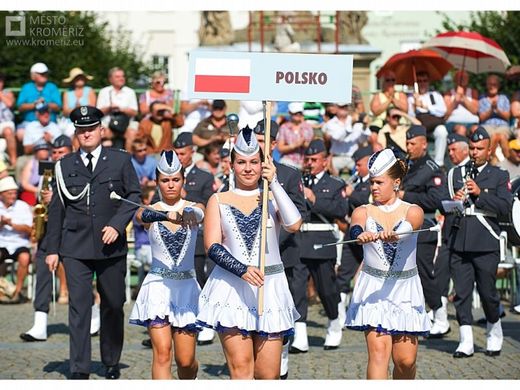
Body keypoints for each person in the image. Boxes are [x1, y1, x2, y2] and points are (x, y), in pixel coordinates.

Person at [196, 126, 302, 379]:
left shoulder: (273, 197)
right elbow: (212, 245)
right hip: (233, 288)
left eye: (254, 162)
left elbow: (294, 224)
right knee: (242, 370)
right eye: (241, 162)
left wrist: (274, 182)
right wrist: (241, 270)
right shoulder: (218, 200)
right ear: (231, 165)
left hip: (270, 287)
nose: (248, 168)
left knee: (268, 375)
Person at [45, 105, 141, 380]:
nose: (86, 134)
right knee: (79, 305)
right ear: (76, 133)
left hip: (111, 246)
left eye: (91, 129)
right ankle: (79, 367)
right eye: (81, 130)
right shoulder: (64, 165)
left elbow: (133, 195)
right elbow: (57, 211)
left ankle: (111, 360)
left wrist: (117, 224)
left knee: (113, 303)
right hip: (75, 247)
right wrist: (52, 250)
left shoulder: (120, 160)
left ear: (101, 130)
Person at [345, 148, 431, 379]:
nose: (373, 187)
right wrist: (359, 233)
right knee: (379, 354)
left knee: (405, 360)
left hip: (405, 290)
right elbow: (356, 224)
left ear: (396, 183)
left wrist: (397, 233)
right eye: (372, 182)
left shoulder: (412, 209)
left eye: (379, 182)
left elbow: (411, 224)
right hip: (374, 288)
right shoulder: (364, 210)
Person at [129, 150, 204, 379]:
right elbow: (140, 216)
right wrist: (164, 215)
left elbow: (200, 212)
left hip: (186, 288)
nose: (170, 185)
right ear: (157, 182)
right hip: (158, 286)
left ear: (183, 180)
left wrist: (187, 212)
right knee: (162, 354)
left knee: (186, 361)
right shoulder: (151, 210)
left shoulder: (193, 206)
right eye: (165, 180)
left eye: (175, 180)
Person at [447, 126, 512, 358]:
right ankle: (466, 341)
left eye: (479, 148)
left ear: (489, 149)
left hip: (485, 242)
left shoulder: (499, 175)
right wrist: (453, 202)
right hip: (459, 240)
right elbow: (446, 209)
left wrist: (480, 194)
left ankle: (494, 331)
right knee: (461, 294)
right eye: (472, 148)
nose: (474, 152)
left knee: (487, 293)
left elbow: (504, 207)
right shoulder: (456, 173)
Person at [253, 118, 307, 379]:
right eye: (256, 140)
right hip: (252, 257)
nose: (258, 146)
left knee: (279, 315)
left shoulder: (289, 174)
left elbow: (298, 215)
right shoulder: (244, 172)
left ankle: (281, 357)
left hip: (282, 253)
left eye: (263, 141)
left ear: (274, 144)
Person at [292, 139, 348, 352]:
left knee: (327, 289)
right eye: (307, 159)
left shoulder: (335, 184)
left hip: (322, 242)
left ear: (325, 161)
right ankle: (300, 334)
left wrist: (315, 200)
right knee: (297, 289)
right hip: (299, 241)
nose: (309, 163)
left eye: (314, 160)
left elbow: (341, 209)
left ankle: (334, 322)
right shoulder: (298, 181)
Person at [20, 135, 74, 342]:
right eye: (55, 153)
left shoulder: (78, 172)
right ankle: (39, 324)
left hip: (72, 231)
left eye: (62, 152)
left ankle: (93, 314)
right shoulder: (49, 172)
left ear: (71, 151)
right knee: (42, 273)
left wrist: (58, 198)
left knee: (78, 277)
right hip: (50, 230)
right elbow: (39, 199)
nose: (58, 156)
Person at [398, 125, 450, 338]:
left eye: (412, 143)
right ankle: (415, 315)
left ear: (423, 144)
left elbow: (437, 199)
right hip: (403, 226)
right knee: (406, 274)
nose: (408, 147)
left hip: (424, 226)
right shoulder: (405, 166)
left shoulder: (432, 168)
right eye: (407, 143)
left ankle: (440, 315)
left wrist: (406, 196)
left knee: (423, 272)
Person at [173, 132, 216, 346]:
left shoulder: (204, 177)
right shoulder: (167, 176)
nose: (179, 157)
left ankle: (205, 321)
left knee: (199, 279)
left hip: (196, 237)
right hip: (174, 238)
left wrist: (185, 198)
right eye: (176, 153)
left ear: (192, 151)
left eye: (183, 153)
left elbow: (210, 204)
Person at [336, 145, 373, 326]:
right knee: (344, 273)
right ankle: (340, 314)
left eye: (359, 164)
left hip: (369, 234)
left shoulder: (373, 182)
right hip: (352, 232)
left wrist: (352, 195)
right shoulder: (357, 182)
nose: (356, 168)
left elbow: (369, 201)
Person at [0, 176, 33, 304]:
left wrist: (12, 225)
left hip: (19, 242)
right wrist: (2, 223)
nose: (13, 196)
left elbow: (30, 229)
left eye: (14, 193)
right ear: (1, 194)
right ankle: (3, 289)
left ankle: (17, 292)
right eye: (9, 193)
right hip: (2, 241)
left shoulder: (23, 206)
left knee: (24, 257)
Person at [408, 70, 448, 167]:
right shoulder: (411, 97)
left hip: (433, 124)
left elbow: (442, 110)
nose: (422, 83)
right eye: (420, 81)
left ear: (428, 82)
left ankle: (439, 163)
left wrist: (424, 106)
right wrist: (414, 106)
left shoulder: (435, 95)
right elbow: (410, 116)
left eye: (424, 80)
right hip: (419, 125)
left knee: (442, 131)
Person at [16, 62, 62, 143]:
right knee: (20, 133)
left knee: (57, 136)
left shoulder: (52, 87)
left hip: (50, 123)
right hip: (29, 123)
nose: (44, 75)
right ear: (33, 76)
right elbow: (20, 107)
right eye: (41, 74)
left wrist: (46, 104)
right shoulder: (26, 87)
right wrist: (34, 104)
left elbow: (58, 106)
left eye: (45, 73)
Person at [323, 102, 372, 176]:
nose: (344, 108)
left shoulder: (354, 120)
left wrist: (364, 126)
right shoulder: (330, 123)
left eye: (346, 106)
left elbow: (362, 140)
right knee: (334, 181)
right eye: (341, 107)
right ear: (336, 109)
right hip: (337, 157)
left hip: (353, 158)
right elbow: (337, 138)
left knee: (362, 172)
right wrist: (351, 125)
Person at [96, 67, 139, 151]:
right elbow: (98, 112)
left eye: (123, 76)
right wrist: (109, 108)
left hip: (127, 124)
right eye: (118, 77)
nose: (121, 78)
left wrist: (121, 109)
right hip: (108, 124)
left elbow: (134, 112)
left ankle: (127, 160)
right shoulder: (104, 92)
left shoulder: (130, 92)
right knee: (102, 132)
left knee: (132, 133)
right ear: (110, 79)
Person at [478, 74, 511, 163]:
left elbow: (508, 116)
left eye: (494, 84)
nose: (492, 86)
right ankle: (489, 161)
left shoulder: (504, 98)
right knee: (494, 136)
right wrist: (491, 109)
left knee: (502, 137)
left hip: (502, 125)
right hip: (487, 125)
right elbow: (481, 117)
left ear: (498, 85)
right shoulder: (482, 98)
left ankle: (509, 162)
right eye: (490, 84)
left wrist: (497, 110)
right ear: (487, 85)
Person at [277, 102, 314, 169]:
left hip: (304, 162)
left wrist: (303, 144)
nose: (298, 115)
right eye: (295, 113)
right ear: (290, 113)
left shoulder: (308, 127)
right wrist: (294, 145)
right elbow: (280, 148)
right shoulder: (284, 127)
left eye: (300, 113)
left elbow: (312, 147)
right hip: (288, 160)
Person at [443, 70, 479, 136]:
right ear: (455, 80)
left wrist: (463, 97)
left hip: (471, 122)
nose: (463, 79)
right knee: (461, 129)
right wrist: (454, 102)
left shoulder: (473, 92)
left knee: (476, 129)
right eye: (460, 77)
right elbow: (446, 114)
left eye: (465, 78)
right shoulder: (448, 94)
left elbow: (475, 111)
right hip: (453, 123)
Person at [19, 139, 51, 206]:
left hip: (50, 190)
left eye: (46, 149)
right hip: (33, 191)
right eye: (41, 149)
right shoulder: (31, 163)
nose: (44, 151)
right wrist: (39, 190)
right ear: (36, 152)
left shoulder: (52, 161)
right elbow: (24, 184)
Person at [0, 73, 17, 167]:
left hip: (6, 123)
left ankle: (13, 161)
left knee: (8, 131)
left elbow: (10, 103)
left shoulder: (7, 92)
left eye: (1, 80)